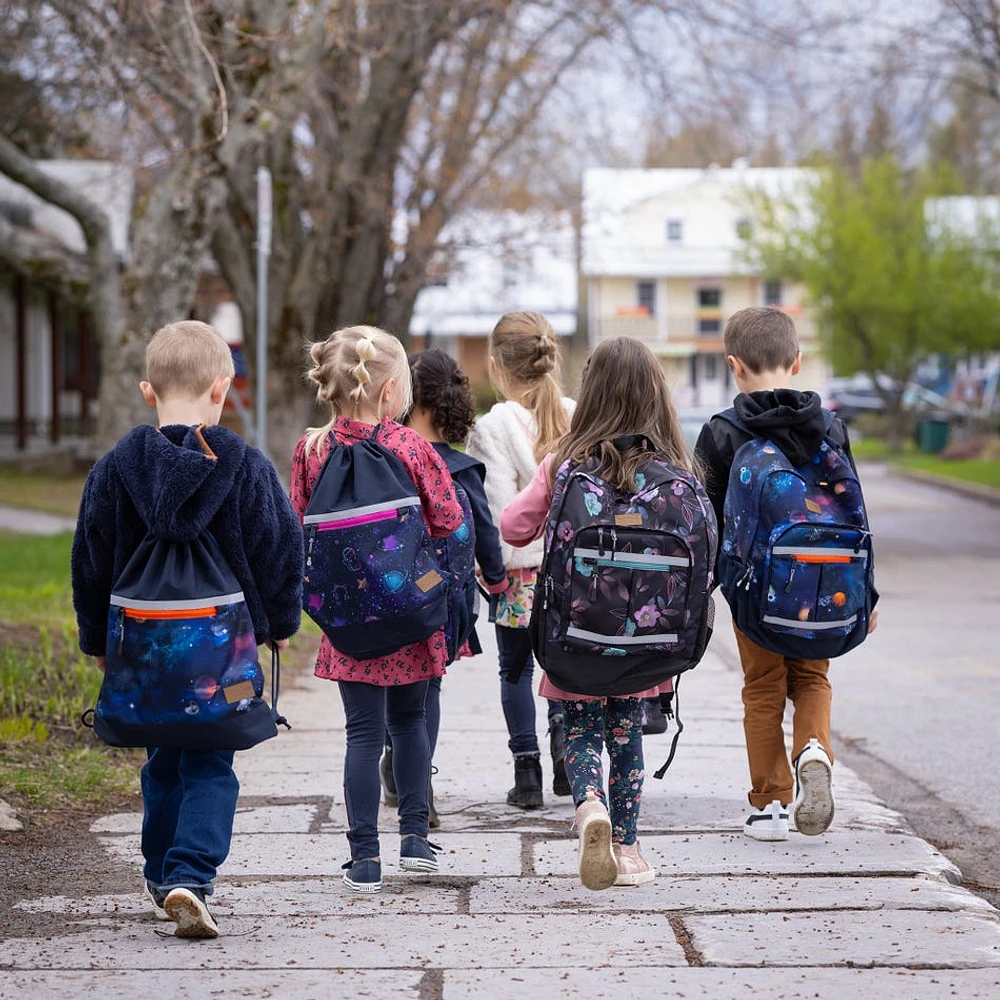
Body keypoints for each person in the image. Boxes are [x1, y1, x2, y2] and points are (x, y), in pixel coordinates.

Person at [71, 320, 303, 938]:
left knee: (162, 758)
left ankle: (157, 872)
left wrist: (97, 639)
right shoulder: (246, 468)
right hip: (222, 658)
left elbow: (90, 560)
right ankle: (191, 875)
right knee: (211, 760)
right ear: (222, 388)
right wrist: (280, 623)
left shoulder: (114, 470)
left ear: (149, 391)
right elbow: (280, 546)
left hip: (145, 653)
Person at [500, 336, 696, 888]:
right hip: (645, 643)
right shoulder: (674, 469)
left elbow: (513, 527)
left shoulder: (563, 464)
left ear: (589, 394)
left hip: (576, 634)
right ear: (656, 395)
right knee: (626, 735)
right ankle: (629, 851)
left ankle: (589, 805)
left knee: (582, 725)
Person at [290, 325, 464, 893]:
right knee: (410, 722)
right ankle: (415, 838)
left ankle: (363, 857)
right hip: (410, 612)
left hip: (347, 620)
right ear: (390, 391)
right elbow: (447, 518)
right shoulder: (410, 447)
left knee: (362, 735)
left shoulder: (312, 450)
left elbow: (298, 523)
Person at [693, 306, 878, 842]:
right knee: (813, 678)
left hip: (754, 593)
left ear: (735, 366)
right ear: (797, 362)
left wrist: (702, 589)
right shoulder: (831, 427)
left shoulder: (723, 432)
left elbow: (708, 518)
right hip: (824, 584)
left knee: (763, 687)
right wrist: (869, 593)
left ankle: (770, 805)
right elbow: (856, 514)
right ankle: (814, 749)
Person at [378, 348, 508, 826]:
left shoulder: (382, 459)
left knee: (392, 679)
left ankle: (396, 757)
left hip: (386, 595)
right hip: (443, 602)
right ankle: (419, 784)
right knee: (427, 688)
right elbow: (485, 534)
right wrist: (496, 580)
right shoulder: (461, 469)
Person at [466, 311, 575, 809]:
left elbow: (495, 512)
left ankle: (526, 770)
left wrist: (492, 569)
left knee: (515, 670)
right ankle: (564, 749)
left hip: (518, 576)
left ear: (495, 365)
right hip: (575, 574)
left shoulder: (492, 428)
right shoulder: (578, 416)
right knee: (565, 668)